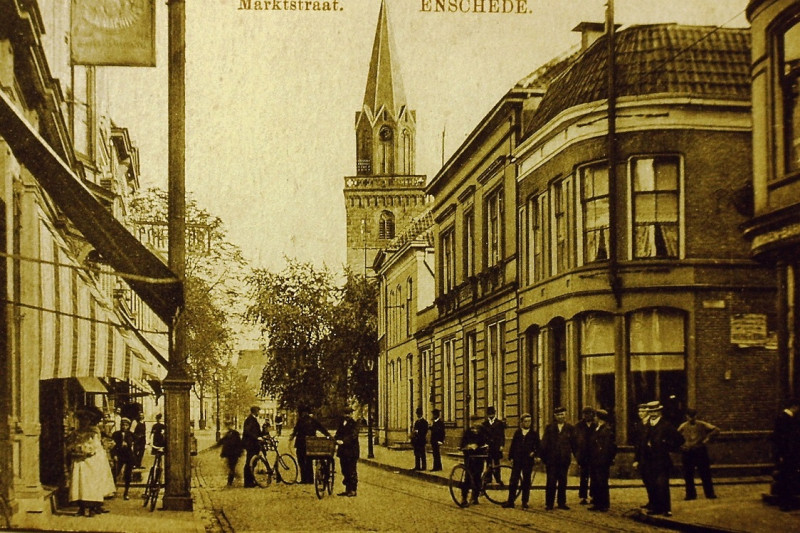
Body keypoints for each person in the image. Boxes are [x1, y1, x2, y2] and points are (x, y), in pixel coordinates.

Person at [67, 408, 114, 517]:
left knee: (90, 483)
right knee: (79, 483)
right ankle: (81, 507)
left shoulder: (93, 432)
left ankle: (92, 506)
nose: (84, 422)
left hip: (91, 460)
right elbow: (70, 444)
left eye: (87, 419)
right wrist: (74, 449)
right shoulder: (76, 432)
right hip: (79, 460)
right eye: (82, 419)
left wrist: (88, 450)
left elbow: (96, 445)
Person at [641, 401, 684, 517]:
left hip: (661, 460)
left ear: (659, 412)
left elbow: (680, 439)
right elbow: (641, 442)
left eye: (655, 411)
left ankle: (666, 509)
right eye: (651, 411)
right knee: (652, 485)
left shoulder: (666, 425)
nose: (653, 413)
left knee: (662, 484)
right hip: (648, 460)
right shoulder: (646, 426)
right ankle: (656, 508)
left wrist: (666, 445)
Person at [677, 408, 719, 500]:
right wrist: (681, 445)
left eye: (693, 416)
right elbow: (675, 436)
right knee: (688, 474)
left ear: (696, 416)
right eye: (689, 417)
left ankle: (710, 493)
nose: (691, 419)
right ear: (686, 416)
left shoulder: (702, 424)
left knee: (705, 473)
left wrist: (707, 439)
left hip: (700, 451)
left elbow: (716, 430)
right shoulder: (683, 426)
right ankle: (690, 494)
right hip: (688, 452)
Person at [540, 406, 575, 510]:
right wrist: (543, 458)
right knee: (551, 481)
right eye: (558, 415)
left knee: (563, 481)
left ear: (565, 415)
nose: (561, 416)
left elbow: (574, 444)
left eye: (562, 414)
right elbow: (544, 443)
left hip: (564, 460)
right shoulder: (549, 428)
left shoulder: (570, 428)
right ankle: (549, 503)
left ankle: (561, 503)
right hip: (552, 460)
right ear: (555, 416)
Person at [502, 413, 540, 509]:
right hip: (518, 460)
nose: (528, 423)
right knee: (513, 480)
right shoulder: (518, 433)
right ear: (522, 422)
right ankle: (511, 501)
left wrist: (535, 454)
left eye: (529, 421)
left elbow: (539, 447)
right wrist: (511, 457)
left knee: (526, 481)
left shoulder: (534, 434)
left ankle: (524, 501)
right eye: (526, 421)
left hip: (528, 460)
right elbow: (513, 446)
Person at [772, 398, 800, 511]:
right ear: (794, 407)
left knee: (786, 478)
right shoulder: (785, 419)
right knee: (787, 478)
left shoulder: (782, 417)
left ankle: (785, 502)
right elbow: (784, 439)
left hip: (786, 454)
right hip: (788, 454)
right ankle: (785, 503)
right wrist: (783, 454)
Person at [290, 406, 331, 484]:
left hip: (301, 444)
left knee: (302, 462)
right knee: (308, 461)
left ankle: (304, 479)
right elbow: (322, 429)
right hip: (310, 444)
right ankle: (310, 479)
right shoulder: (313, 421)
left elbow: (295, 431)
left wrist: (291, 438)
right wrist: (328, 435)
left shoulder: (300, 421)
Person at [588, 408, 617, 512]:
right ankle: (597, 502)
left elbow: (609, 447)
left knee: (602, 482)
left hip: (601, 461)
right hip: (594, 460)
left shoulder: (606, 430)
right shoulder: (597, 428)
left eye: (595, 416)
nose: (594, 418)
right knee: (595, 481)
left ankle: (604, 504)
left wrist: (605, 459)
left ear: (600, 418)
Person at [460, 415, 488, 506]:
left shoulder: (483, 430)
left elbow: (485, 440)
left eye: (477, 421)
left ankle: (474, 497)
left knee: (477, 477)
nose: (475, 424)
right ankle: (464, 498)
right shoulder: (468, 431)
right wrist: (466, 446)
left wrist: (479, 445)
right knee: (468, 477)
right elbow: (463, 441)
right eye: (473, 421)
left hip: (479, 456)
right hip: (470, 457)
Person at [334, 406, 360, 497]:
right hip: (343, 452)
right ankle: (347, 489)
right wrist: (335, 439)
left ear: (351, 414)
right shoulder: (342, 423)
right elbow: (338, 433)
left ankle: (353, 490)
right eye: (346, 413)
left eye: (349, 413)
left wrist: (343, 441)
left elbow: (353, 435)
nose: (347, 415)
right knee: (344, 470)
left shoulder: (354, 424)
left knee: (351, 470)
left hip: (351, 451)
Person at [575, 406, 596, 505]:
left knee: (594, 476)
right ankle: (583, 496)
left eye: (590, 414)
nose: (587, 416)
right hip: (583, 455)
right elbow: (575, 441)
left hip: (593, 454)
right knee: (584, 476)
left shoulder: (595, 425)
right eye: (585, 414)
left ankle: (593, 495)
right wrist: (577, 454)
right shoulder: (579, 426)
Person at [111, 417, 135, 500]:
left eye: (126, 425)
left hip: (128, 456)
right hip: (119, 455)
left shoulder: (131, 434)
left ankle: (126, 493)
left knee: (128, 475)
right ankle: (113, 490)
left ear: (128, 426)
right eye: (122, 425)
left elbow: (134, 444)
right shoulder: (115, 434)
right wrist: (114, 455)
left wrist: (128, 444)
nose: (124, 427)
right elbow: (112, 446)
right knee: (115, 472)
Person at [482, 406, 506, 485]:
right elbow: (483, 435)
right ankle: (488, 478)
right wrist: (484, 444)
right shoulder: (485, 424)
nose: (491, 416)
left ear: (494, 414)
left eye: (492, 414)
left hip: (496, 446)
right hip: (488, 446)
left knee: (497, 463)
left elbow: (502, 435)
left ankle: (498, 479)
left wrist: (502, 445)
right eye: (489, 414)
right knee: (488, 463)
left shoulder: (499, 423)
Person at [242, 406, 262, 488]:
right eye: (258, 411)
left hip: (253, 444)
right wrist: (256, 437)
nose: (259, 413)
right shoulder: (250, 420)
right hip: (250, 444)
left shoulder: (252, 419)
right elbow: (247, 431)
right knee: (249, 463)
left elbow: (257, 432)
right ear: (255, 411)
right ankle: (248, 482)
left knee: (252, 463)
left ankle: (251, 481)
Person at [219, 420, 243, 486]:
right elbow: (222, 441)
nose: (229, 427)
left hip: (234, 453)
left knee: (231, 467)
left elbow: (239, 443)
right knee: (230, 467)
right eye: (228, 426)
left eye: (230, 425)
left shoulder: (236, 433)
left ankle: (231, 480)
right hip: (229, 454)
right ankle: (235, 476)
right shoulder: (228, 434)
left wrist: (240, 452)